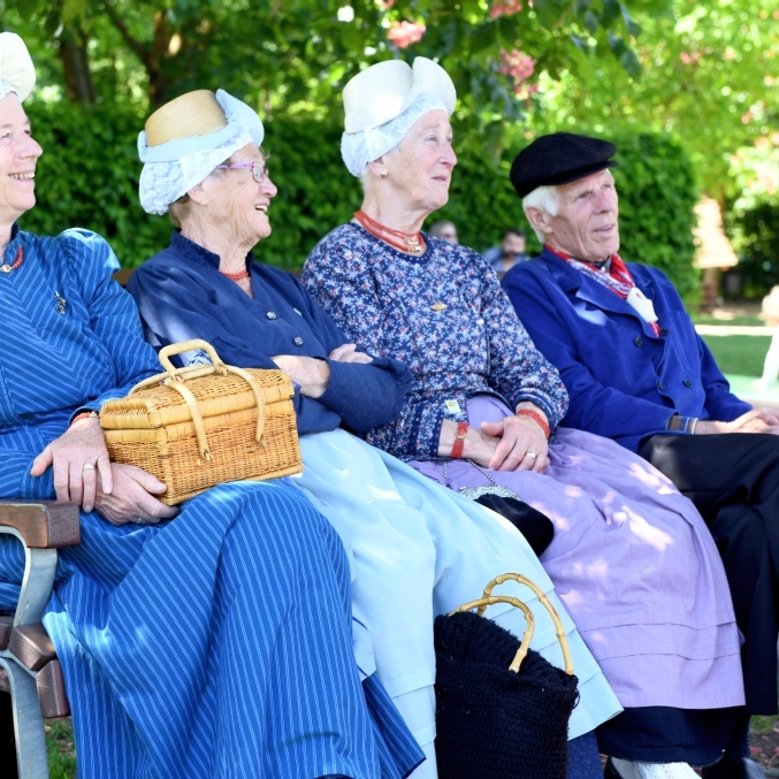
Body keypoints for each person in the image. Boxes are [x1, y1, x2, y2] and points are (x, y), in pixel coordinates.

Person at [126, 85, 624, 779]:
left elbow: (380, 393)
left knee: (496, 546)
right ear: (203, 186)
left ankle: (557, 755)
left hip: (358, 459)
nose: (271, 186)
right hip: (283, 473)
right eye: (254, 171)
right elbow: (234, 403)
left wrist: (313, 376)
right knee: (397, 561)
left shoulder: (278, 283)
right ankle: (415, 763)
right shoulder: (166, 285)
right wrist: (325, 376)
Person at [302, 57, 747, 779]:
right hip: (427, 456)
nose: (449, 155)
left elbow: (530, 369)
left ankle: (664, 745)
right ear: (378, 159)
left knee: (660, 519)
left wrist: (534, 419)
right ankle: (616, 748)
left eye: (447, 140)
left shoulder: (463, 265)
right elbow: (367, 401)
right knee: (578, 539)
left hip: (515, 439)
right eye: (432, 140)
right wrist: (470, 441)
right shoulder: (341, 261)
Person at [0, 31, 426, 779]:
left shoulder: (75, 256)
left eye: (27, 129)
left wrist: (89, 426)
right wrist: (78, 472)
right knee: (263, 527)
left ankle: (319, 765)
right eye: (9, 135)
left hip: (135, 472)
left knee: (284, 518)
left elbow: (143, 378)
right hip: (46, 526)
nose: (30, 149)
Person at [501, 131, 779, 779]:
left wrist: (748, 418)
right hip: (625, 459)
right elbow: (575, 397)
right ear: (540, 217)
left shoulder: (650, 280)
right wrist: (699, 430)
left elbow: (710, 386)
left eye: (608, 189)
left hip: (695, 453)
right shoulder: (531, 288)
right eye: (583, 197)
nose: (606, 206)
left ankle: (727, 747)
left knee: (742, 529)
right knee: (771, 464)